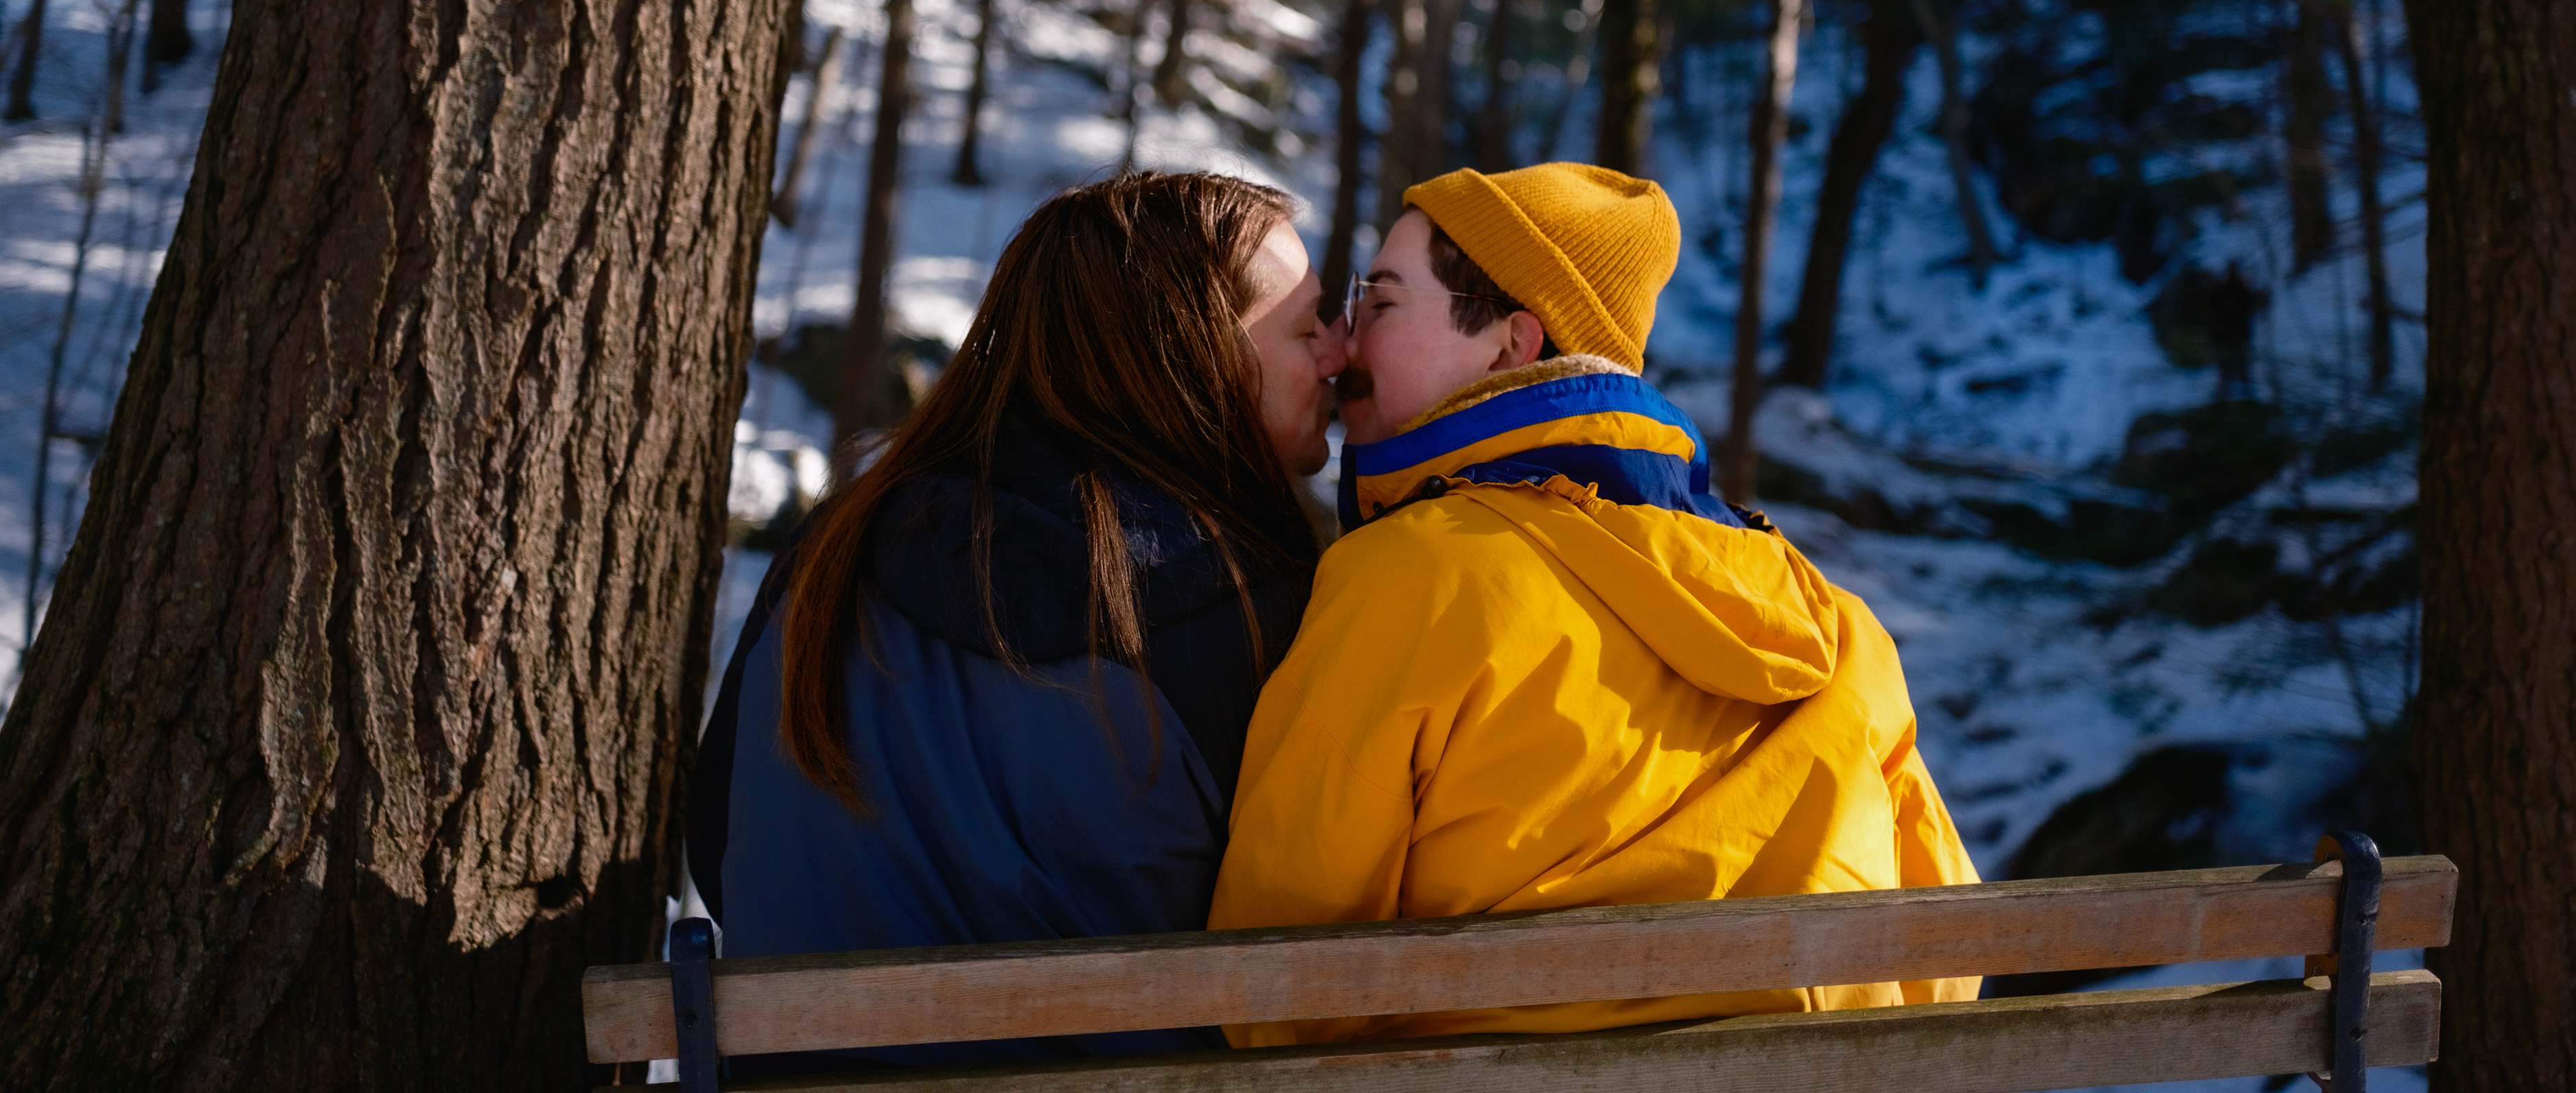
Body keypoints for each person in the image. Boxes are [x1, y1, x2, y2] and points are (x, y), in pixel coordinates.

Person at [1209, 161, 1980, 1044]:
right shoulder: (1837, 626)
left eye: (1381, 302)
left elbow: (1270, 988)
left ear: (1511, 343)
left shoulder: (1414, 579)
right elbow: (1944, 955)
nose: (1344, 340)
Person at [688, 172, 1342, 1074]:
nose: (1343, 354)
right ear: (1197, 352)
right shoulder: (1245, 607)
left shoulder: (832, 552)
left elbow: (720, 852)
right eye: (1309, 328)